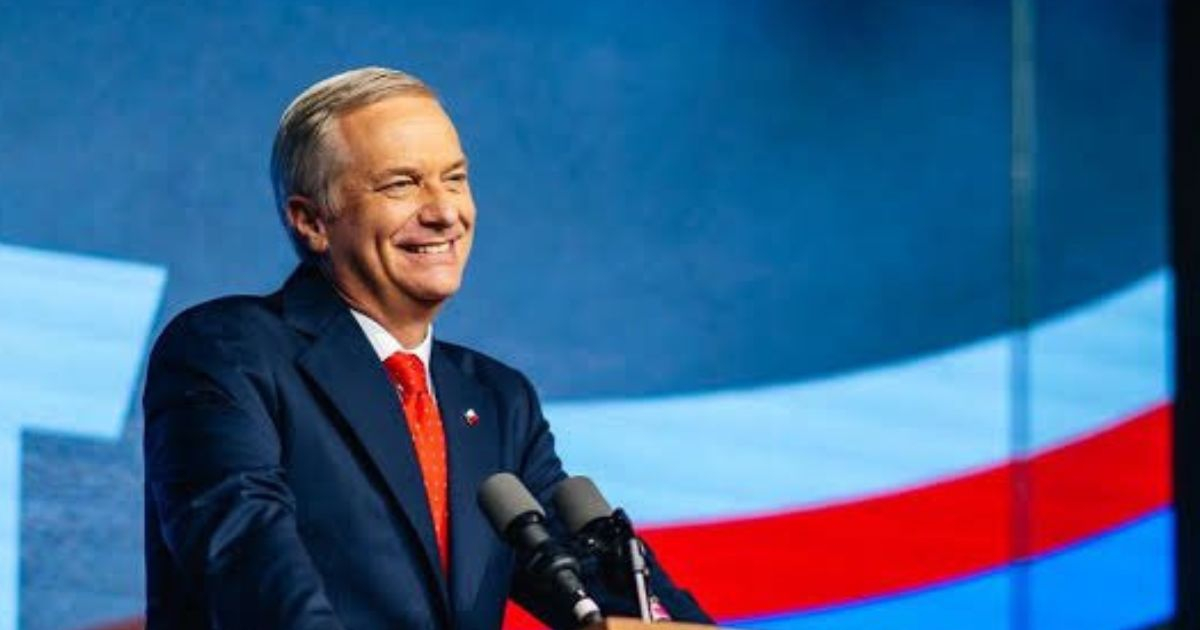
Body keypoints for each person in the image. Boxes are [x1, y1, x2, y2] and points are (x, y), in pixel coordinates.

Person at [142, 67, 708, 629]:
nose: (443, 211)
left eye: (455, 179)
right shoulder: (228, 350)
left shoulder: (496, 401)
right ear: (312, 220)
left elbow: (594, 576)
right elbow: (251, 572)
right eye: (401, 184)